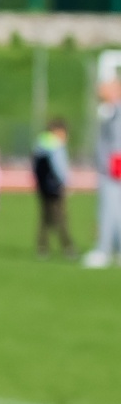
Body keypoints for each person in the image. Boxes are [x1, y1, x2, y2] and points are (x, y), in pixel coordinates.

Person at [84, 79, 121, 268]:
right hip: (110, 167)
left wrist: (115, 166)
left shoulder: (115, 112)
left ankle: (104, 249)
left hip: (113, 169)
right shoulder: (111, 111)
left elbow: (117, 141)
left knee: (109, 209)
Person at [31, 119, 75, 260]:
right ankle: (68, 247)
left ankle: (42, 247)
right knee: (61, 217)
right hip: (55, 187)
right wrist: (66, 183)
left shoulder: (40, 143)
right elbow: (59, 167)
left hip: (42, 187)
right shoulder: (56, 145)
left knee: (45, 218)